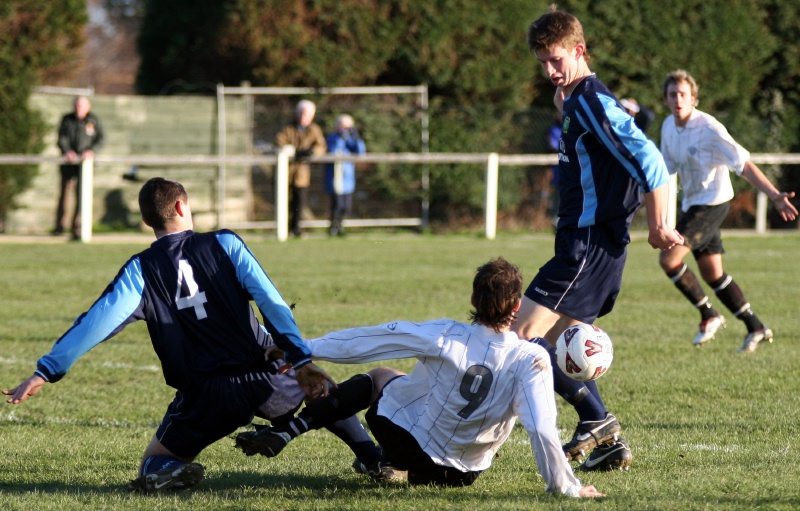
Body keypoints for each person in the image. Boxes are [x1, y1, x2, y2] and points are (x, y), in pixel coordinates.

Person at [3, 177, 387, 492]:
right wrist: (300, 358)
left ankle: (170, 470)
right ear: (183, 207)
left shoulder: (141, 270)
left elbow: (94, 324)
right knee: (317, 388)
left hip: (206, 395)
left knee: (153, 463)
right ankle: (370, 457)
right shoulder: (225, 243)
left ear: (147, 220)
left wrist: (46, 371)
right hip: (263, 376)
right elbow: (273, 305)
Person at [235, 258, 605, 498]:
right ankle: (384, 465)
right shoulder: (533, 358)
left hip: (410, 450)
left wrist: (306, 348)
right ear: (517, 306)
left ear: (474, 300)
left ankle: (297, 433)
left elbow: (372, 340)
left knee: (382, 374)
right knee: (414, 386)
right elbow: (541, 427)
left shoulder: (445, 335)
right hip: (464, 475)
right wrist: (564, 487)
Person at [516, 6, 684, 470]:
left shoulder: (590, 100)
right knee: (551, 343)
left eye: (557, 60)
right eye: (543, 63)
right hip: (590, 245)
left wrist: (660, 224)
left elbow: (651, 162)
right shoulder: (576, 99)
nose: (550, 71)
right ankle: (607, 441)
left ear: (580, 51)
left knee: (520, 340)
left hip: (585, 248)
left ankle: (596, 418)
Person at [658, 69, 797, 352]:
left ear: (694, 98)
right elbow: (665, 172)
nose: (678, 100)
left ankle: (709, 315)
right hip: (693, 204)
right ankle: (755, 326)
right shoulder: (668, 127)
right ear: (666, 99)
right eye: (672, 95)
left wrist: (774, 195)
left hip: (713, 203)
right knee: (713, 274)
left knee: (669, 259)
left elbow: (743, 164)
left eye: (683, 94)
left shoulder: (709, 128)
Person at [53, 96, 104, 239]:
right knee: (64, 195)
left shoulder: (93, 120)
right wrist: (67, 151)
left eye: (81, 106)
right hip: (68, 164)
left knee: (82, 196)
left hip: (85, 166)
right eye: (76, 105)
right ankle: (59, 226)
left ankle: (78, 228)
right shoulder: (67, 119)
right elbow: (61, 138)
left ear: (88, 107)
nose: (78, 108)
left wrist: (91, 150)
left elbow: (101, 139)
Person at [275, 100, 327, 238]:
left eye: (307, 114)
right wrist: (291, 152)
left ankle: (296, 228)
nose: (304, 116)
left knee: (299, 202)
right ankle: (283, 229)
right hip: (285, 172)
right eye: (302, 113)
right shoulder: (288, 127)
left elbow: (321, 146)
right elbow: (279, 142)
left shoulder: (314, 130)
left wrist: (311, 152)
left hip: (302, 173)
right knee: (284, 201)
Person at [324, 114, 366, 236]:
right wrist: (341, 139)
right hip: (335, 178)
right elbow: (334, 151)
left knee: (346, 207)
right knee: (337, 205)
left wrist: (357, 138)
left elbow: (360, 152)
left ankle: (340, 226)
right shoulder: (332, 138)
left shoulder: (351, 140)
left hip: (347, 179)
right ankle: (333, 228)